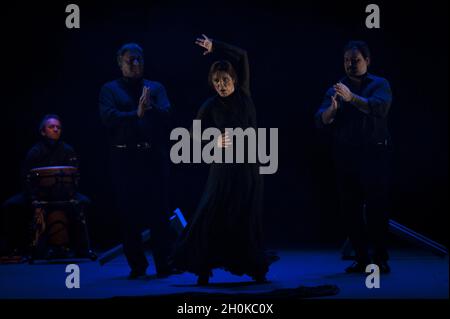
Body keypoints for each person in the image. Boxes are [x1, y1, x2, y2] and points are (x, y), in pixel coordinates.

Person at [170, 35, 278, 285]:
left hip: (249, 167)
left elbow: (242, 55)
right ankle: (204, 267)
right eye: (217, 81)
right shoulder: (210, 105)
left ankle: (254, 267)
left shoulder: (244, 94)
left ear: (234, 79)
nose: (221, 85)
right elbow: (194, 136)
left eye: (225, 80)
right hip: (224, 168)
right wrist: (212, 141)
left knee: (246, 214)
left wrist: (215, 46)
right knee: (214, 213)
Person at [99, 43, 176, 279]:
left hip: (152, 157)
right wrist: (136, 114)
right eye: (131, 60)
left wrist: (150, 109)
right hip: (124, 159)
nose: (136, 64)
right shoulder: (109, 89)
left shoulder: (155, 87)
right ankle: (138, 266)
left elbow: (168, 116)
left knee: (159, 214)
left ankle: (164, 264)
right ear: (120, 63)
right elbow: (108, 119)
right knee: (128, 215)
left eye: (139, 60)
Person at [315, 41, 393, 273]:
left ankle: (380, 259)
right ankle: (361, 258)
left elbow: (379, 108)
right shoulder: (337, 89)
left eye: (356, 59)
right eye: (347, 60)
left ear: (367, 61)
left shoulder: (380, 84)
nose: (351, 64)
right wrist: (332, 110)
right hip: (346, 156)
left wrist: (351, 99)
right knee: (350, 209)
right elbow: (320, 119)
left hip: (375, 154)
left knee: (377, 209)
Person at [1, 114, 90, 257]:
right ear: (43, 131)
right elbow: (26, 178)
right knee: (10, 205)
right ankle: (13, 249)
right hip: (39, 195)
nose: (56, 129)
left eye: (58, 127)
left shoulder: (68, 150)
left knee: (84, 202)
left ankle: (82, 248)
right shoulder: (35, 152)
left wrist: (70, 193)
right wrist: (34, 199)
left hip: (63, 195)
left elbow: (75, 176)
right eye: (51, 127)